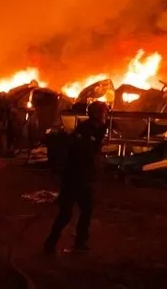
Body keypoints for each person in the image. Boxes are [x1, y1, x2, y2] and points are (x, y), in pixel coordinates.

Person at [44, 101, 109, 254]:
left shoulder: (95, 130)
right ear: (96, 114)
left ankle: (80, 242)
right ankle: (50, 243)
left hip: (85, 179)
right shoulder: (85, 130)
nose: (105, 116)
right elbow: (85, 153)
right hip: (73, 179)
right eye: (103, 113)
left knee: (87, 210)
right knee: (66, 214)